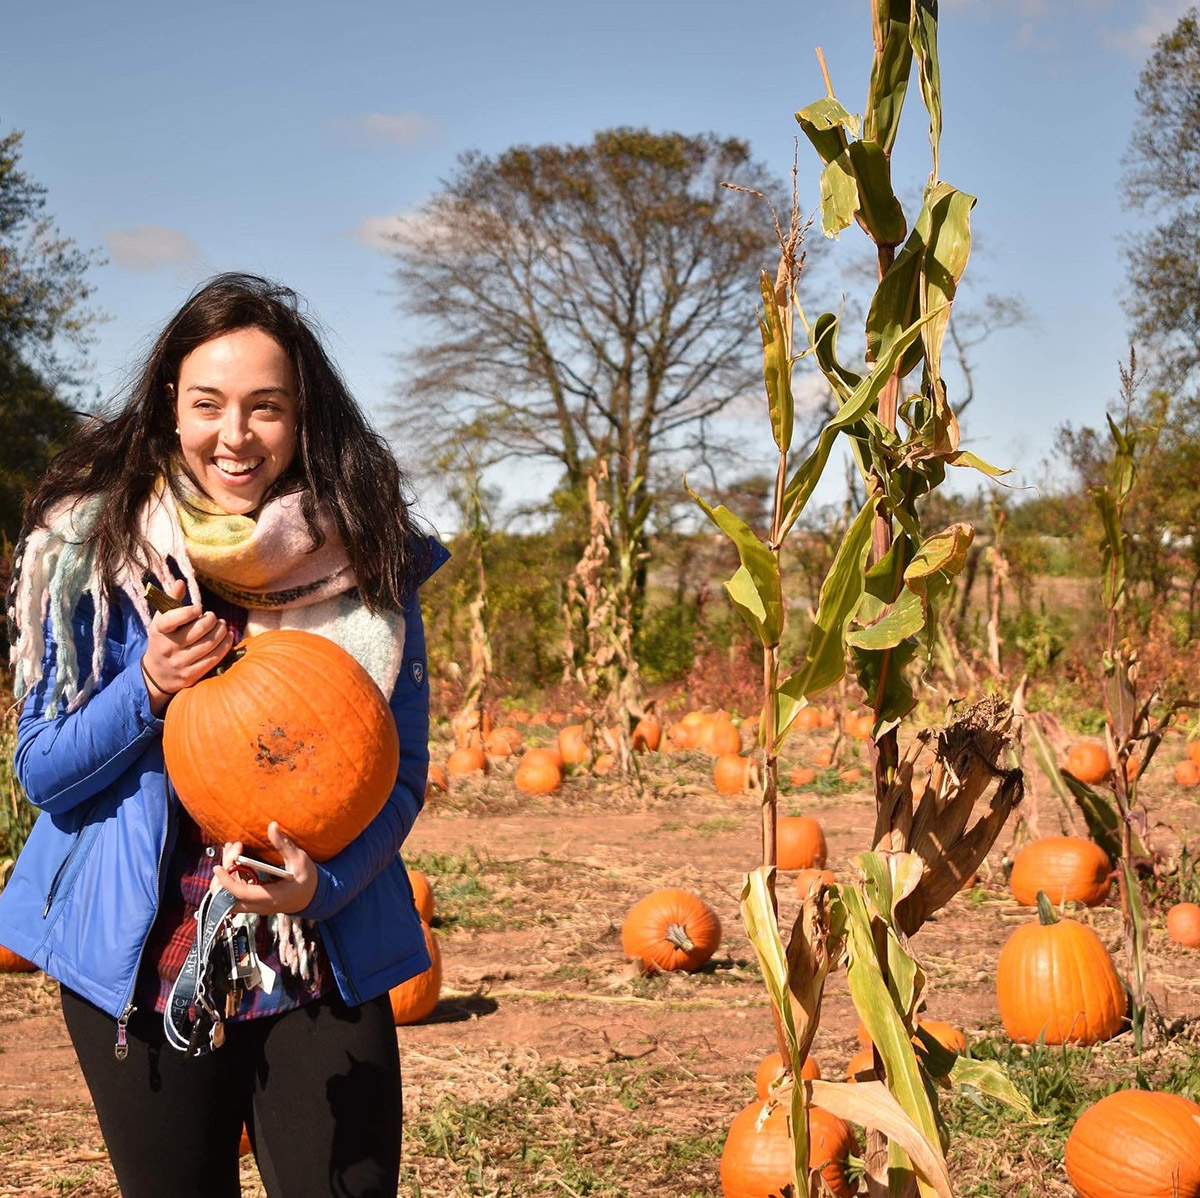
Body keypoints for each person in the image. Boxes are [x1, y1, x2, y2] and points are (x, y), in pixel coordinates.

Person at [0, 273, 446, 1197]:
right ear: (171, 405)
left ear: (302, 414)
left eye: (265, 408)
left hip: (321, 950)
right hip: (146, 959)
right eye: (209, 404)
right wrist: (149, 686)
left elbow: (398, 777)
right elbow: (42, 773)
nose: (235, 436)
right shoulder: (92, 551)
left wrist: (323, 885)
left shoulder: (365, 554)